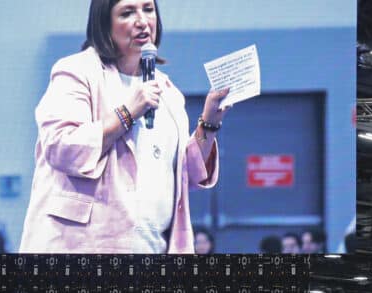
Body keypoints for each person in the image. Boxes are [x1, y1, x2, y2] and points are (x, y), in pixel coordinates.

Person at [19, 0, 230, 253]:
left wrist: (208, 124)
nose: (142, 21)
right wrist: (128, 112)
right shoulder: (76, 72)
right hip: (83, 248)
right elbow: (61, 146)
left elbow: (186, 175)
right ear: (104, 23)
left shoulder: (167, 92)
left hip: (154, 247)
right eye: (128, 12)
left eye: (148, 9)